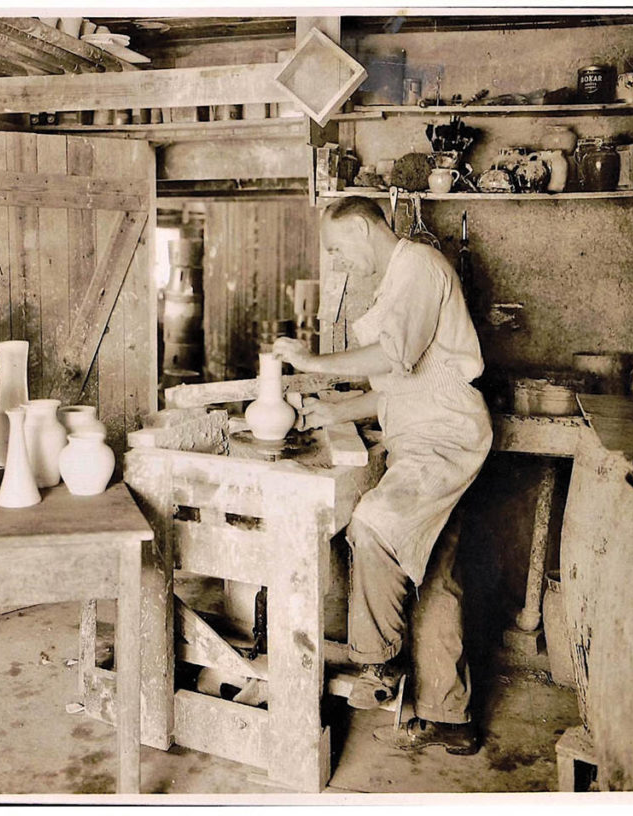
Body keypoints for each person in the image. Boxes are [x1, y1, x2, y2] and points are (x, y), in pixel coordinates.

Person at [273, 196, 492, 755]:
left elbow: (393, 357)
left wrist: (312, 362)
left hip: (443, 438)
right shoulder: (398, 278)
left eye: (337, 249)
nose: (338, 261)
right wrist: (329, 414)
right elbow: (399, 388)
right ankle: (450, 715)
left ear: (363, 228)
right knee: (434, 568)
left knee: (373, 523)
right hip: (422, 431)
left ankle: (378, 661)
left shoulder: (417, 264)